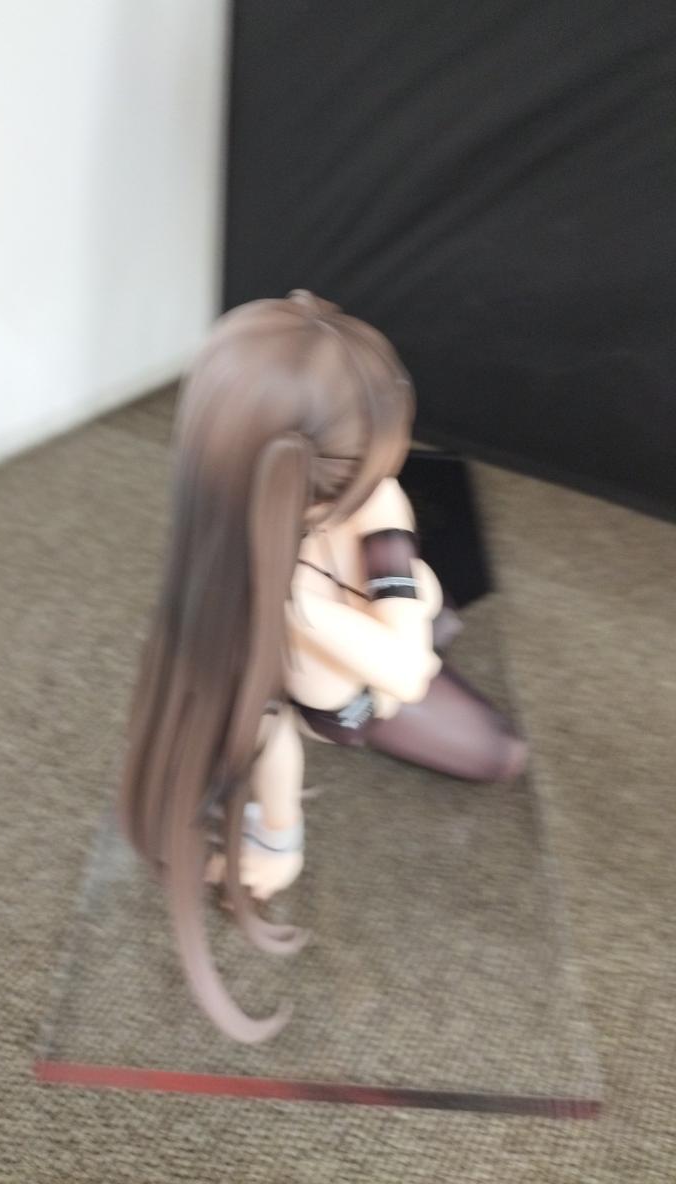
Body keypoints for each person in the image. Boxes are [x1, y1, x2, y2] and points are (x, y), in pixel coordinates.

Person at [121, 291, 525, 1043]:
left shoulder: (366, 501)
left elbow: (406, 656)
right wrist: (279, 836)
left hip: (384, 656)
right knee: (484, 741)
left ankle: (429, 618)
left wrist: (350, 600)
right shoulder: (258, 598)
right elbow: (353, 697)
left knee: (496, 744)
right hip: (351, 702)